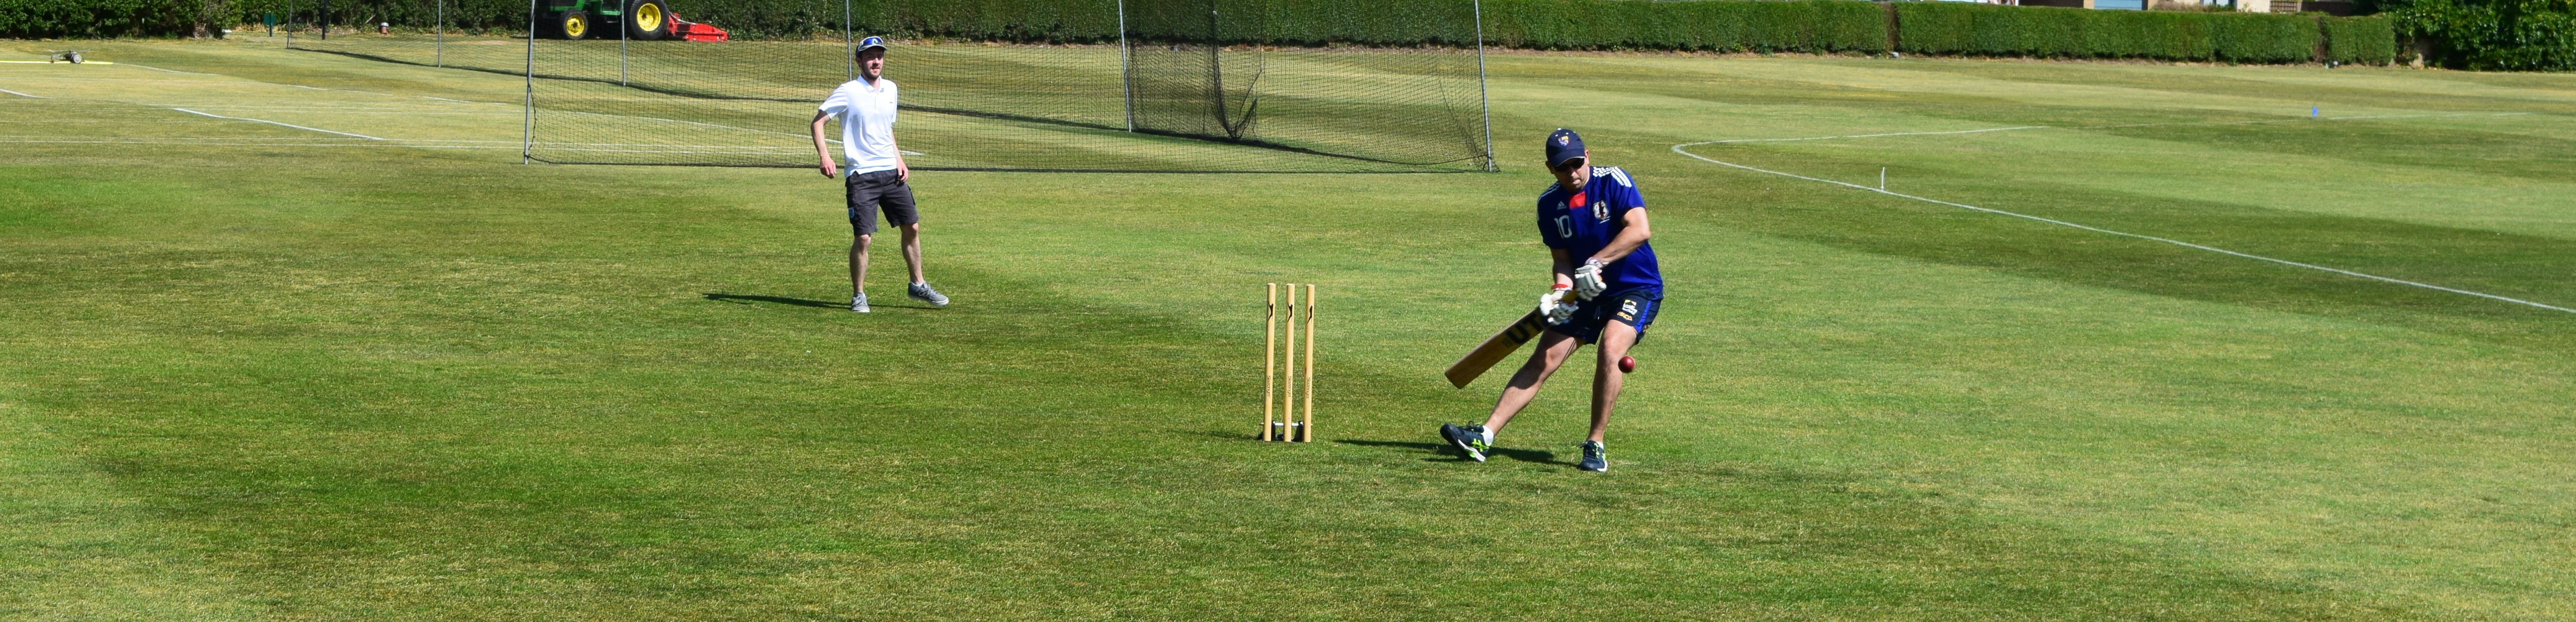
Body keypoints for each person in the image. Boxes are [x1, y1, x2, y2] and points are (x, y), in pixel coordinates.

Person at [1440, 128, 1661, 473]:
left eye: (1576, 163)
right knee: (1544, 358)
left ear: (1587, 156)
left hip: (1636, 286)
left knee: (1611, 349)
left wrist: (1596, 262)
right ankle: (1483, 436)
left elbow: (1639, 229)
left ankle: (1595, 444)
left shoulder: (1613, 181)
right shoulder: (1549, 204)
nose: (1572, 173)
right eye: (1563, 168)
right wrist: (1561, 290)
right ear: (1550, 168)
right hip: (1585, 293)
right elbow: (1562, 258)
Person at [810, 36, 948, 313]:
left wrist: (899, 159)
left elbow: (887, 130)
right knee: (863, 238)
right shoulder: (848, 91)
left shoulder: (891, 90)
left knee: (913, 227)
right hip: (861, 175)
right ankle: (859, 295)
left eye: (880, 56)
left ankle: (918, 285)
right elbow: (818, 122)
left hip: (891, 172)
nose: (876, 61)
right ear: (859, 60)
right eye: (870, 56)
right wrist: (825, 156)